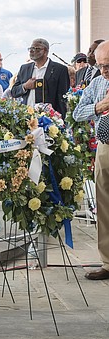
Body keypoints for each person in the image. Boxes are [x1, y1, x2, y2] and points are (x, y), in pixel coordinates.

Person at [73, 40, 109, 280]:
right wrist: (99, 107)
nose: (105, 71)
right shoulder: (97, 83)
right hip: (106, 148)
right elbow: (77, 113)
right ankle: (108, 262)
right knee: (104, 205)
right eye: (102, 65)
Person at [10, 38, 69, 117]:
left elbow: (62, 98)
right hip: (27, 118)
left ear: (45, 51)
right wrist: (25, 86)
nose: (32, 51)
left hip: (50, 119)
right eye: (31, 48)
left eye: (36, 48)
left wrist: (61, 120)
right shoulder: (24, 68)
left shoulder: (60, 70)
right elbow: (14, 92)